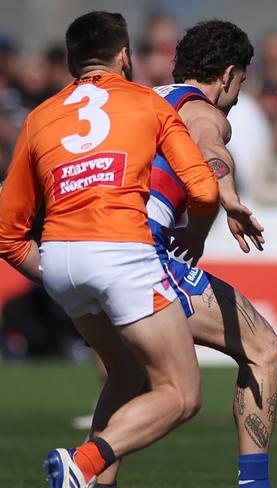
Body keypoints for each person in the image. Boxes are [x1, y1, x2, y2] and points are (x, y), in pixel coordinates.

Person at [0, 11, 220, 488]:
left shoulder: (40, 117)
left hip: (59, 256)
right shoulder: (148, 102)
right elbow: (203, 190)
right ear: (125, 57)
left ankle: (96, 482)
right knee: (182, 394)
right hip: (121, 251)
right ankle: (82, 464)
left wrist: (55, 270)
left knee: (123, 372)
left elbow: (7, 231)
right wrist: (196, 232)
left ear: (71, 62)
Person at [94, 20, 277, 488]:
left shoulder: (142, 97)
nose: (238, 95)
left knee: (129, 373)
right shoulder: (201, 108)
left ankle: (90, 478)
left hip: (90, 246)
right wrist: (230, 195)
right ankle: (254, 485)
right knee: (265, 349)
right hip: (140, 248)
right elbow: (209, 145)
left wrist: (198, 232)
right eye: (241, 82)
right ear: (228, 75)